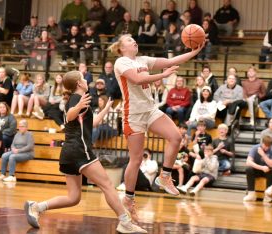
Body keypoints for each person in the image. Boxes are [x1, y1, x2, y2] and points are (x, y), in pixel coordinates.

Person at [24, 71, 147, 233]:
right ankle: (125, 222)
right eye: (83, 78)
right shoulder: (76, 99)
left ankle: (37, 207)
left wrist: (107, 109)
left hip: (69, 151)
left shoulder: (80, 100)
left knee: (73, 198)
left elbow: (92, 123)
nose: (86, 80)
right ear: (79, 84)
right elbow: (69, 116)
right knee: (107, 185)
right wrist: (77, 107)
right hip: (79, 149)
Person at [109, 34, 203, 222]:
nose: (133, 41)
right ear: (121, 48)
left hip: (150, 110)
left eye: (133, 39)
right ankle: (128, 198)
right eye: (129, 40)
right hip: (133, 114)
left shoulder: (144, 59)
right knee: (135, 159)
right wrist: (164, 75)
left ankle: (164, 176)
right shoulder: (121, 62)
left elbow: (171, 60)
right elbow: (137, 79)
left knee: (176, 137)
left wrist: (195, 51)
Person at [243, 135, 272, 203]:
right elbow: (248, 162)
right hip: (258, 169)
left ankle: (267, 196)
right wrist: (261, 167)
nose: (266, 148)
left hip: (267, 170)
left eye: (268, 146)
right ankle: (251, 194)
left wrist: (263, 154)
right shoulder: (255, 148)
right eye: (265, 145)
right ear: (262, 143)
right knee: (248, 169)